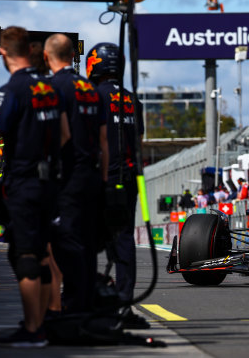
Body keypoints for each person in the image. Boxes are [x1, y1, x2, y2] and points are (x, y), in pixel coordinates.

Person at [0, 26, 67, 347]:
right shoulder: (49, 88)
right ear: (30, 50)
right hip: (50, 185)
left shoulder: (11, 90)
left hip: (24, 184)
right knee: (41, 255)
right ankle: (39, 324)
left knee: (25, 256)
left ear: (3, 54)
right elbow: (65, 135)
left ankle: (32, 330)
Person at [44, 34, 108, 314]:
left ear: (47, 57)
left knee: (65, 242)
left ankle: (72, 305)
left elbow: (59, 133)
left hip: (67, 177)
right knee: (88, 242)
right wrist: (104, 180)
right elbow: (104, 141)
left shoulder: (52, 87)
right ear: (73, 55)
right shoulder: (91, 89)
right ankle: (88, 302)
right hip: (93, 176)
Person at [86, 42, 145, 315]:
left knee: (85, 236)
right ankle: (124, 301)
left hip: (101, 177)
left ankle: (86, 296)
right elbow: (138, 139)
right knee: (124, 238)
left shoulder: (92, 96)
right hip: (130, 179)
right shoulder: (134, 100)